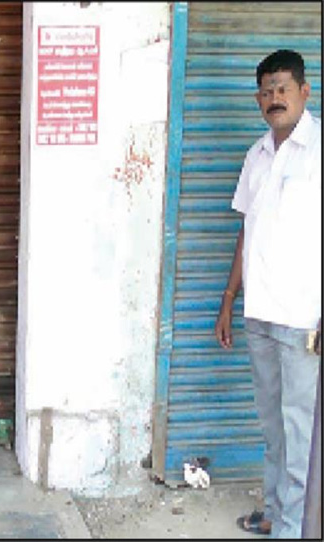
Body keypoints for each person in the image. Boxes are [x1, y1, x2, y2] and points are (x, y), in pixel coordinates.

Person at [214, 49, 321, 538]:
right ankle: (278, 514)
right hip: (260, 314)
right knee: (274, 431)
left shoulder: (318, 152)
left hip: (303, 321)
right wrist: (229, 298)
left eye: (283, 88)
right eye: (266, 91)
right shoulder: (257, 156)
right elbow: (247, 232)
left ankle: (293, 529)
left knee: (300, 435)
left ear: (304, 91)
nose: (274, 98)